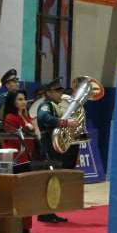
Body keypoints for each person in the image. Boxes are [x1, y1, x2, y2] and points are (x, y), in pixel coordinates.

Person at [0, 89, 40, 233]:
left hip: (27, 155)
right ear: (13, 102)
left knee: (26, 192)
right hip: (16, 157)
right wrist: (27, 128)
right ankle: (17, 224)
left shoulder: (26, 116)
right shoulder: (10, 117)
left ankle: (25, 224)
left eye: (24, 99)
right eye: (20, 99)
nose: (23, 102)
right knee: (18, 193)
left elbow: (34, 133)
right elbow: (14, 136)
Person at [34, 79, 73, 224]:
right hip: (48, 146)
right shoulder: (45, 105)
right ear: (48, 92)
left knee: (53, 179)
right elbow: (44, 117)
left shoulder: (54, 105)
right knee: (49, 180)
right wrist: (65, 122)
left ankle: (49, 212)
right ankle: (45, 213)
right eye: (57, 91)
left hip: (53, 146)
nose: (60, 93)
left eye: (61, 90)